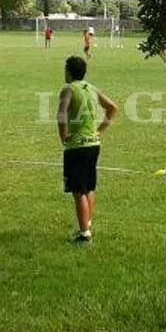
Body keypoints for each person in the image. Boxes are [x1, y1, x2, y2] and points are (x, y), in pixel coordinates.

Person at [57, 56, 118, 243]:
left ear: (68, 71)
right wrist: (100, 130)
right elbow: (112, 108)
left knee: (78, 191)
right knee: (89, 187)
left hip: (77, 146)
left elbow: (61, 114)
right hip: (93, 145)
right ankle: (87, 224)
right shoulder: (91, 88)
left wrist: (63, 135)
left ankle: (84, 235)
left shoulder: (68, 89)